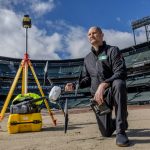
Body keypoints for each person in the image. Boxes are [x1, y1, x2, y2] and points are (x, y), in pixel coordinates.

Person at [65, 26, 129, 147]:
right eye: (89, 34)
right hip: (98, 99)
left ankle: (121, 131)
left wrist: (104, 84)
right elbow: (86, 79)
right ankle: (122, 120)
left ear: (102, 35)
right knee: (106, 132)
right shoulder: (87, 59)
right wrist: (75, 85)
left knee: (119, 83)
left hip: (111, 91)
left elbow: (121, 72)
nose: (91, 35)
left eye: (94, 33)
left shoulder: (113, 50)